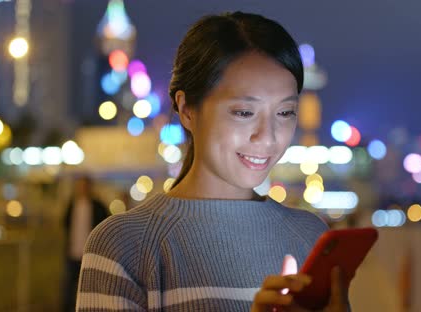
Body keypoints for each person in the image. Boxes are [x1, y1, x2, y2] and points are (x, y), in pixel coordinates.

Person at [76, 12, 349, 311]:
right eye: (244, 112)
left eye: (284, 113)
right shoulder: (125, 244)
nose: (268, 137)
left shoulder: (311, 237)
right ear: (187, 109)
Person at [63, 175, 109, 311]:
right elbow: (65, 224)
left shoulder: (97, 206)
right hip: (72, 252)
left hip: (90, 254)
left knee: (89, 286)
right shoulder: (72, 204)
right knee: (69, 286)